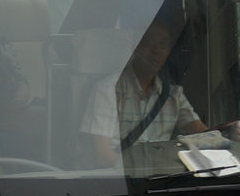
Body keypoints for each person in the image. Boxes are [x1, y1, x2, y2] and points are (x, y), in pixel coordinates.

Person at [81, 19, 206, 166]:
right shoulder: (108, 90)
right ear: (134, 46)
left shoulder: (173, 95)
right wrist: (143, 173)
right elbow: (103, 156)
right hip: (120, 178)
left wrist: (224, 134)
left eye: (163, 45)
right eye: (148, 43)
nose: (156, 51)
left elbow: (203, 134)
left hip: (163, 178)